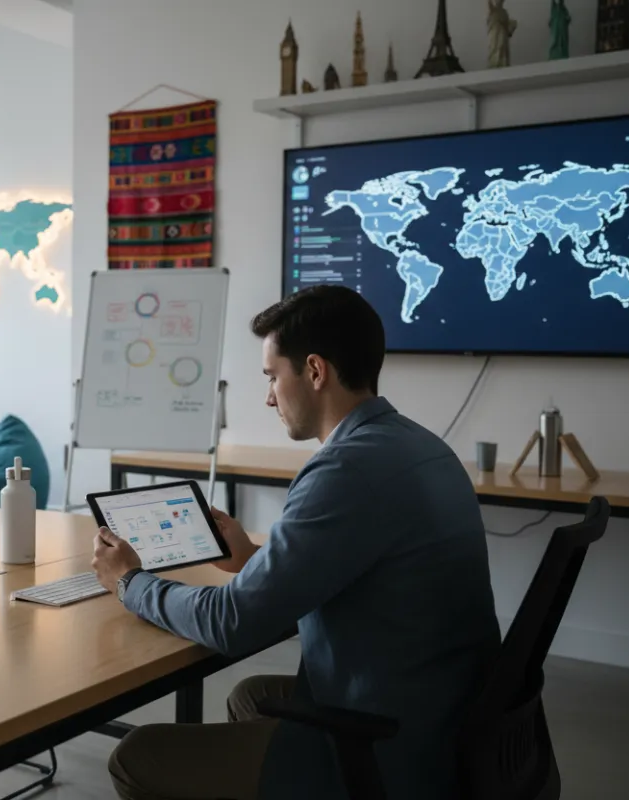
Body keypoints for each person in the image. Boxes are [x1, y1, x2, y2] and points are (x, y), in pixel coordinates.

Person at [91, 286, 500, 800]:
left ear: (314, 371)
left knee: (138, 756)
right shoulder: (421, 446)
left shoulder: (344, 469)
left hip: (393, 744)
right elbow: (345, 576)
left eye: (271, 376)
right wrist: (249, 560)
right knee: (254, 696)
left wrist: (130, 582)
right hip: (451, 714)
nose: (267, 396)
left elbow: (232, 623)